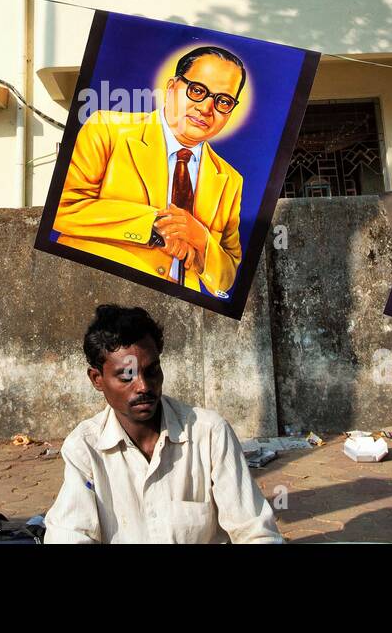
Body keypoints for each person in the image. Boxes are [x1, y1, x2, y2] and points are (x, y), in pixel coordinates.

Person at [44, 304, 282, 544]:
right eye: (127, 376)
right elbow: (69, 535)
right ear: (97, 379)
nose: (144, 386)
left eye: (152, 371)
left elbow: (256, 532)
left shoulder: (209, 433)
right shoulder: (85, 447)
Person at [53, 47, 246, 297]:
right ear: (172, 87)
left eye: (223, 101)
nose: (207, 108)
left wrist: (201, 239)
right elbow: (62, 208)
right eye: (197, 91)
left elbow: (226, 276)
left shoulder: (230, 179)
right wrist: (154, 224)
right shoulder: (106, 130)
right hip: (96, 290)